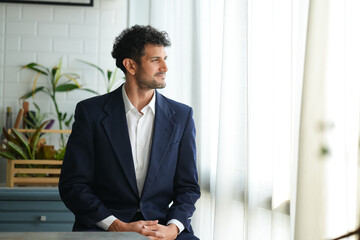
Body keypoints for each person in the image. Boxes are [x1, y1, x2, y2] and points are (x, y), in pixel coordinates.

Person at [58, 25, 201, 240]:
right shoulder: (91, 112)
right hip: (104, 226)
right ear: (130, 66)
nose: (165, 67)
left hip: (161, 227)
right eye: (155, 60)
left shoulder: (181, 115)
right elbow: (73, 184)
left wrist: (172, 229)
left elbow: (188, 187)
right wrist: (117, 226)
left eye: (165, 58)